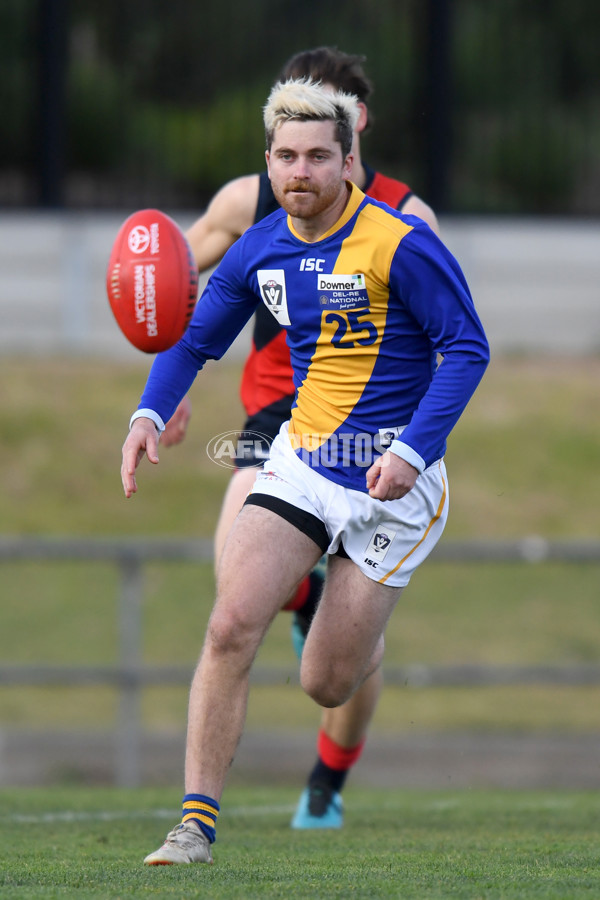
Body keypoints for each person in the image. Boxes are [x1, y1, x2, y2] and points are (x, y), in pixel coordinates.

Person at [121, 77, 489, 865]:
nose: (301, 172)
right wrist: (149, 413)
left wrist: (411, 450)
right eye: (286, 156)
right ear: (268, 160)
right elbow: (193, 342)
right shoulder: (261, 246)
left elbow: (468, 349)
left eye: (319, 156)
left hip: (399, 484)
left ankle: (360, 630)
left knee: (326, 682)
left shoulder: (400, 241)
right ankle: (194, 827)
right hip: (306, 459)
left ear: (349, 160)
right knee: (229, 625)